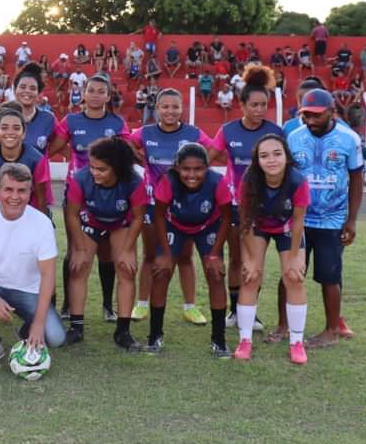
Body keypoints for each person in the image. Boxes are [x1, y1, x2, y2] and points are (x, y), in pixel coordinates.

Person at [0, 162, 66, 371]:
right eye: (8, 189)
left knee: (56, 338)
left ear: (30, 192)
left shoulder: (42, 223)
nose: (15, 197)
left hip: (29, 290)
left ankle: (27, 331)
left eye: (22, 191)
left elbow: (48, 275)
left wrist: (37, 324)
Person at [49, 74, 132, 333]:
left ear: (108, 96)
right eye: (91, 90)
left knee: (108, 251)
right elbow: (53, 148)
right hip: (79, 195)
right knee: (76, 250)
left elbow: (127, 154)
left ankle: (107, 305)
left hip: (111, 195)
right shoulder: (71, 120)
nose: (95, 94)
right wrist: (75, 162)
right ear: (83, 94)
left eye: (101, 91)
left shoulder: (117, 122)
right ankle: (67, 306)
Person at [128, 88, 215, 327]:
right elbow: (123, 143)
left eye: (175, 107)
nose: (170, 111)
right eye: (165, 107)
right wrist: (138, 158)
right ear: (156, 109)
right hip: (152, 204)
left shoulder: (193, 133)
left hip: (184, 205)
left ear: (181, 109)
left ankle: (190, 307)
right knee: (150, 255)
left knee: (185, 257)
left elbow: (213, 151)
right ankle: (142, 303)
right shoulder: (145, 133)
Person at [207, 66, 284, 331]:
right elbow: (208, 157)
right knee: (237, 258)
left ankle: (250, 310)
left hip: (265, 206)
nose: (259, 110)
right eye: (254, 105)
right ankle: (234, 310)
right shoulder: (228, 131)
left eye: (264, 105)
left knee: (255, 260)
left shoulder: (275, 132)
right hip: (233, 207)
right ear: (241, 104)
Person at [286, 89, 363, 347]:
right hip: (299, 220)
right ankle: (283, 326)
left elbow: (356, 179)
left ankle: (331, 330)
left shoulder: (349, 139)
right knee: (291, 273)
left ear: (332, 112)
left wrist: (351, 220)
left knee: (329, 277)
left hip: (332, 221)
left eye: (317, 116)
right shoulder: (293, 138)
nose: (311, 121)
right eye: (306, 116)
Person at [64, 136, 148, 351]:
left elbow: (138, 217)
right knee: (78, 268)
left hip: (120, 223)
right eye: (92, 167)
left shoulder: (134, 182)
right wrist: (80, 249)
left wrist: (129, 250)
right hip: (90, 221)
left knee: (126, 269)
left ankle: (123, 331)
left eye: (101, 169)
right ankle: (76, 327)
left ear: (117, 168)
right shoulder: (81, 178)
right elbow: (72, 214)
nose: (94, 172)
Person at [234, 133, 310, 364]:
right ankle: (244, 340)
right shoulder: (249, 180)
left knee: (294, 277)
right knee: (250, 277)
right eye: (264, 156)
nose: (272, 160)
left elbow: (298, 221)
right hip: (257, 227)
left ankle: (296, 342)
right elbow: (245, 220)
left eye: (277, 154)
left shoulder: (297, 181)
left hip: (287, 228)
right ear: (257, 160)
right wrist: (250, 259)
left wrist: (295, 256)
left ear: (286, 156)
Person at [149, 143, 232, 356]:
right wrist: (166, 255)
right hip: (174, 225)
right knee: (161, 273)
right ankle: (155, 335)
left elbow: (226, 217)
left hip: (208, 226)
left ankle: (219, 339)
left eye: (198, 169)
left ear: (207, 167)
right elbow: (159, 215)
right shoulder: (168, 181)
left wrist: (214, 254)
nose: (192, 174)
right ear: (177, 167)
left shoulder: (217, 182)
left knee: (215, 275)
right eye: (186, 169)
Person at [0, 104, 50, 210]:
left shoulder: (37, 159)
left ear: (23, 133)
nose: (10, 132)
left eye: (16, 128)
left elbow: (41, 199)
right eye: (4, 128)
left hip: (27, 211)